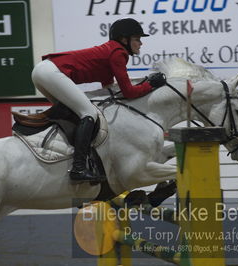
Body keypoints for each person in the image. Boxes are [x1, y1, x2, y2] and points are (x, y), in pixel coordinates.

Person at [31, 18, 166, 183]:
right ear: (124, 39)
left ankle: (71, 158)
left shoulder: (111, 51)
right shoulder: (118, 52)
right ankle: (78, 168)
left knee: (73, 114)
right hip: (51, 72)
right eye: (137, 39)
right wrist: (150, 85)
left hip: (42, 71)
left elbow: (111, 88)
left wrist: (145, 82)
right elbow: (129, 92)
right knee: (88, 113)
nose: (141, 43)